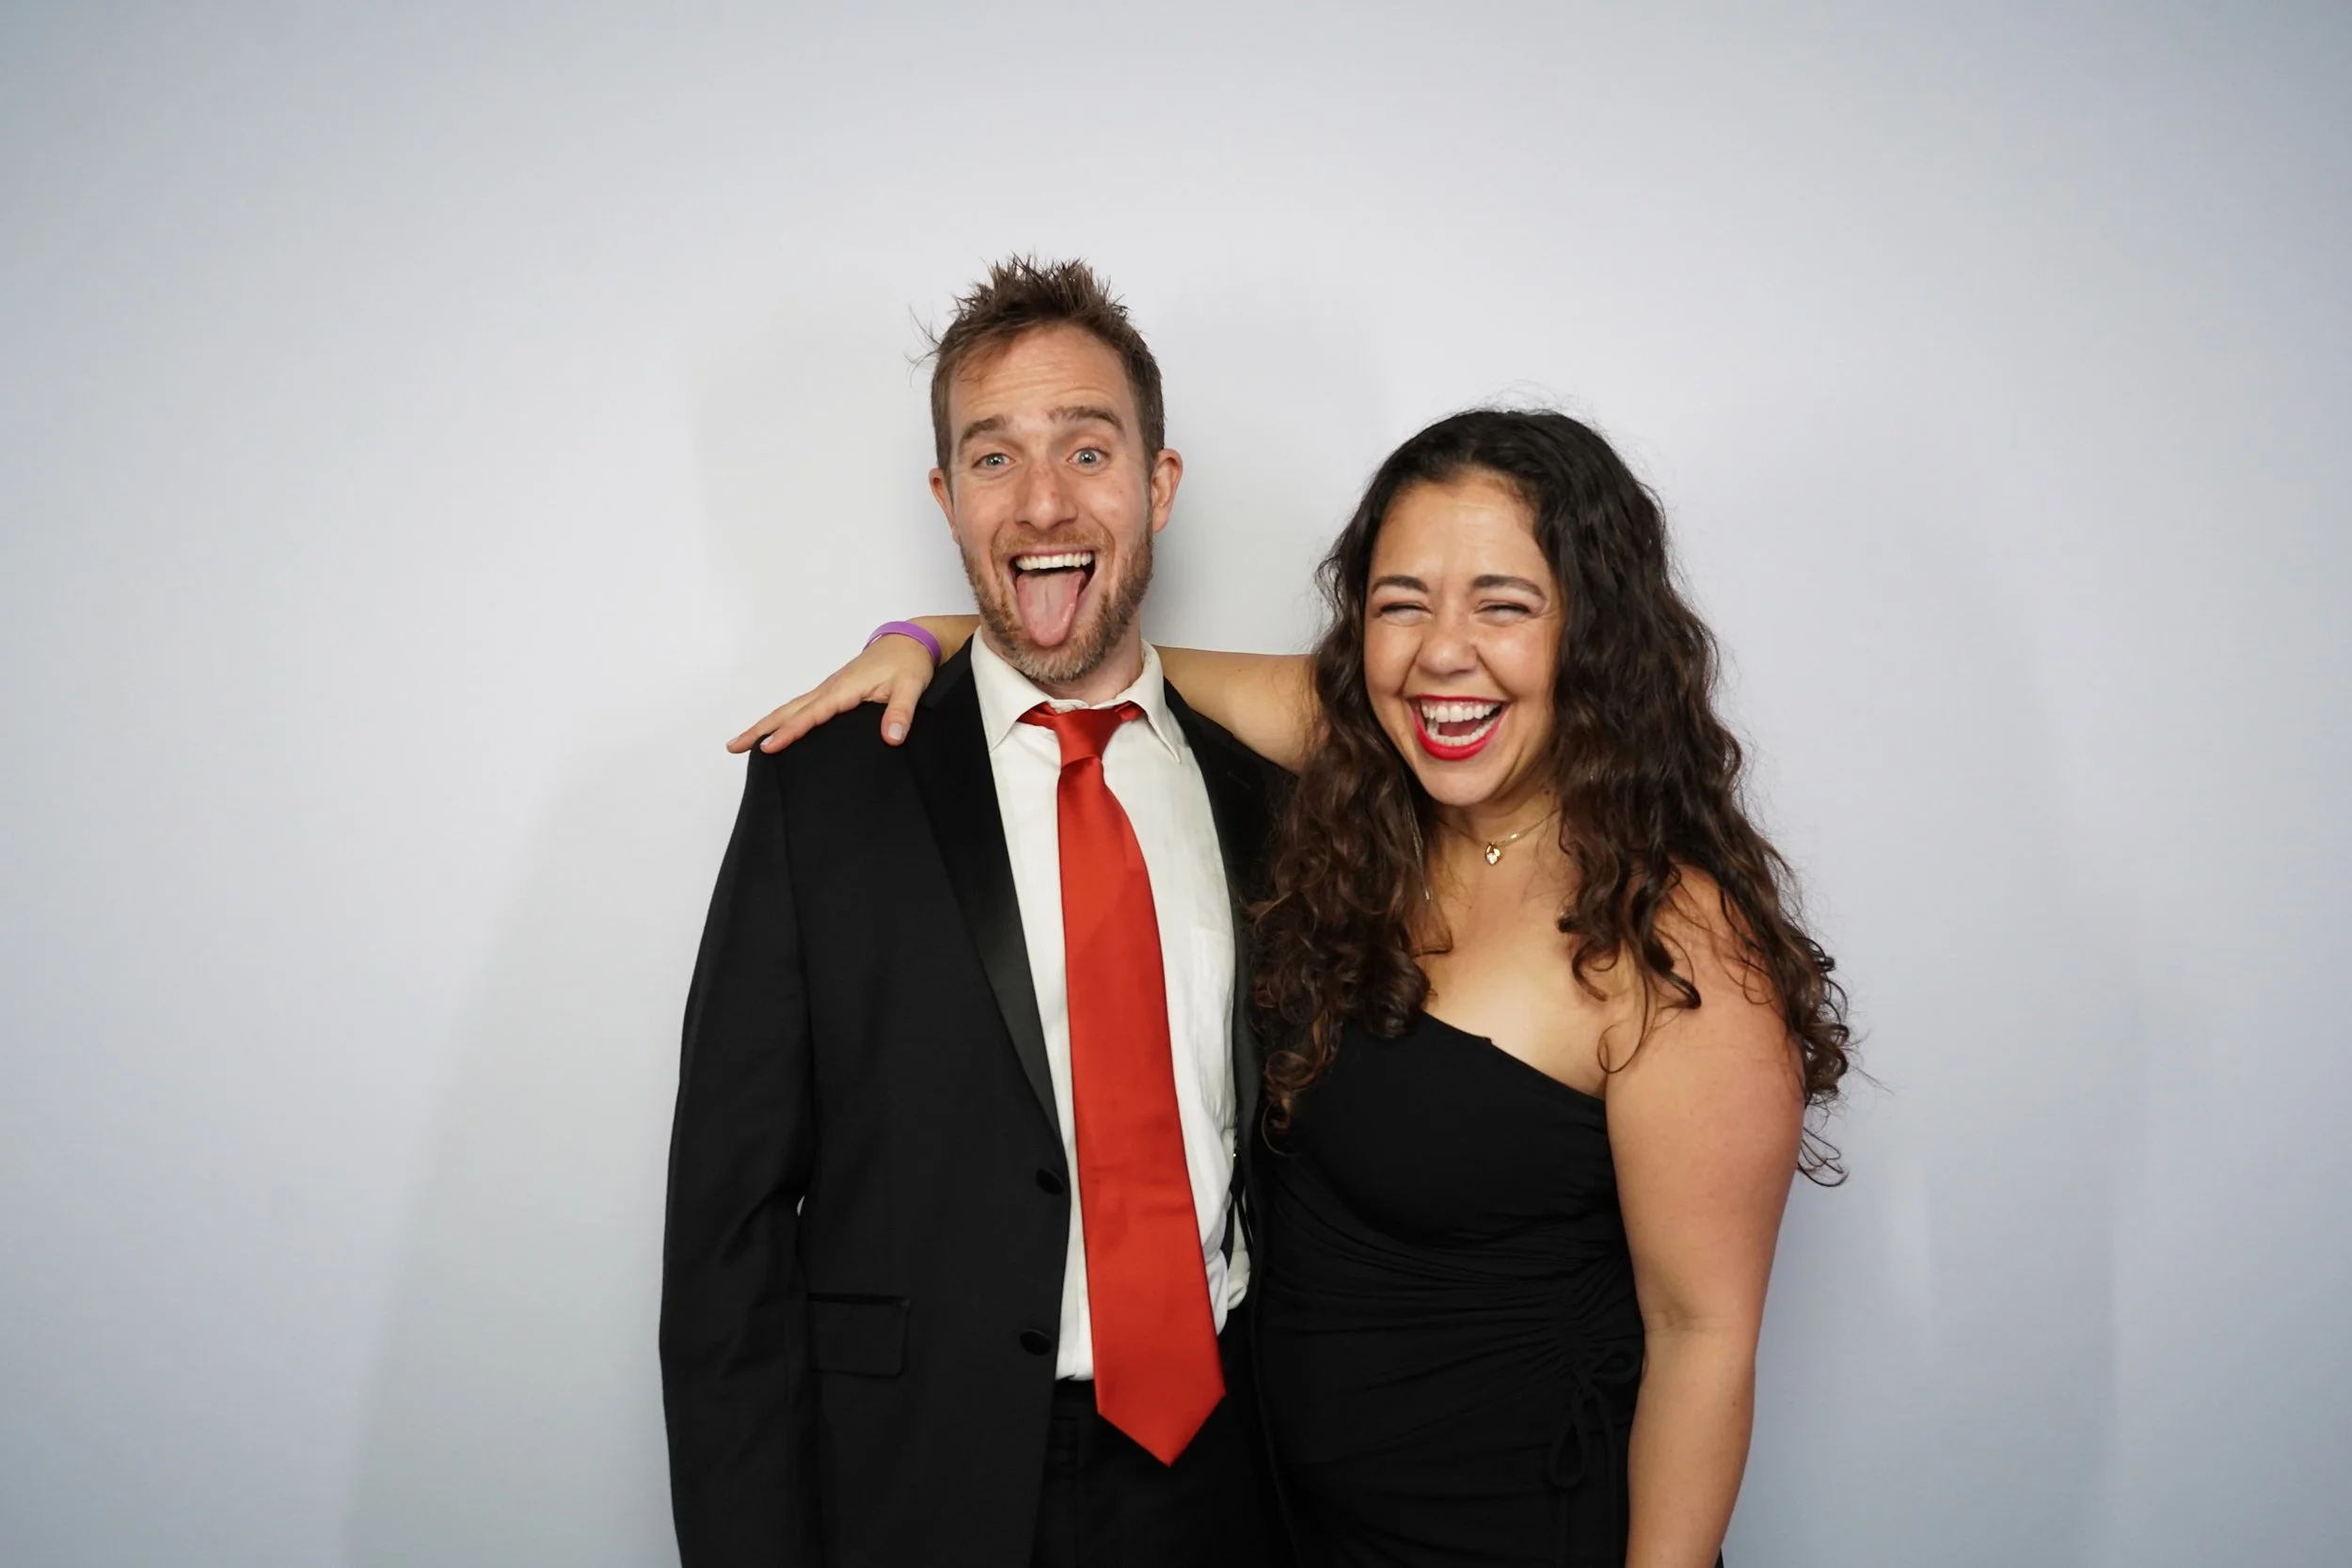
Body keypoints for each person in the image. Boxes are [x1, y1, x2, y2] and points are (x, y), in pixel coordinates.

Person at [742, 407, 1853, 1566]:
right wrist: (920, 639)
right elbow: (1109, 664)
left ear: (1599, 634)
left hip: (1513, 1527)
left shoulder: (1674, 941)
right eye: (1401, 603)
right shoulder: (1376, 763)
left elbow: (1700, 1332)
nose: (1442, 653)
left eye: (1504, 605)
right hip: (1279, 1520)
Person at [661, 257, 1292, 1567]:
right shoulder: (825, 790)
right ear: (947, 499)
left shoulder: (1263, 795)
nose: (1043, 499)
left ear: (1159, 484)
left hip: (1229, 1473)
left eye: (1087, 449)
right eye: (994, 458)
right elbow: (726, 1235)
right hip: (924, 1482)